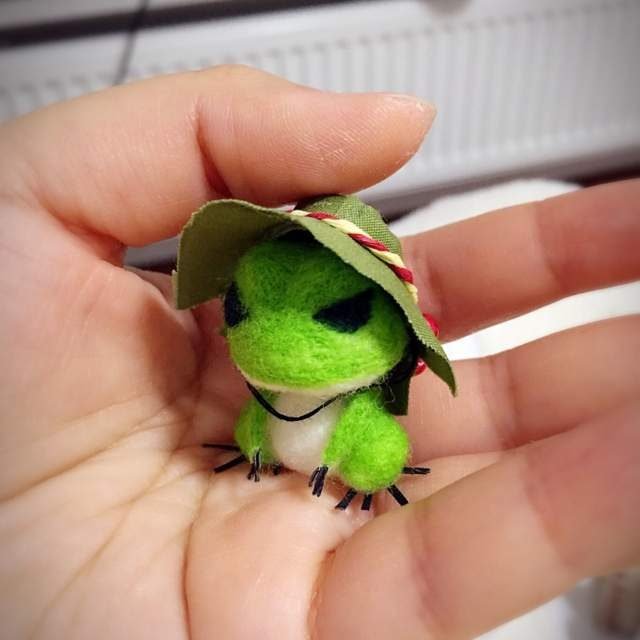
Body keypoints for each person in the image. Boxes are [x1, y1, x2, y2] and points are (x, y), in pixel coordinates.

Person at [0, 65, 638, 640]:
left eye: (339, 315)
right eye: (241, 310)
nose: (272, 345)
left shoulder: (357, 401)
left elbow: (371, 441)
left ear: (397, 331)